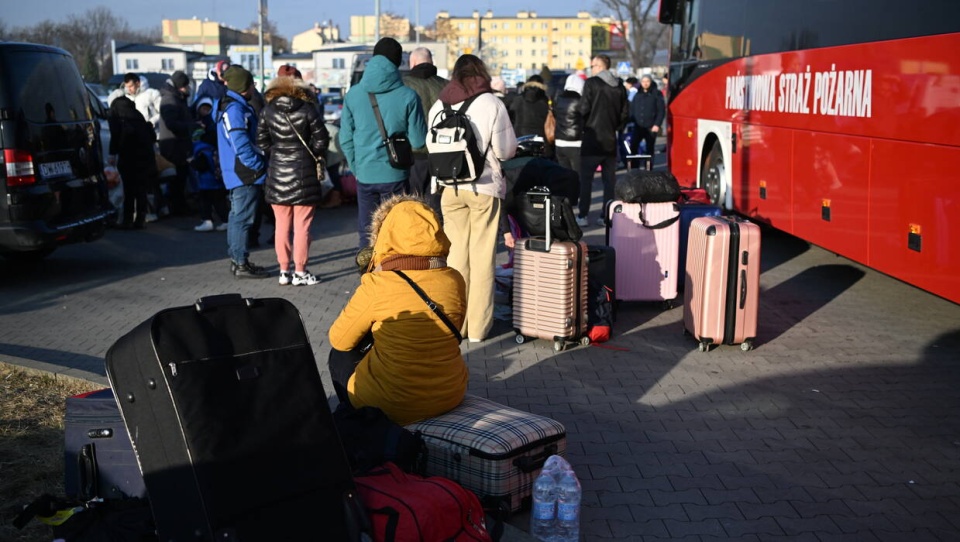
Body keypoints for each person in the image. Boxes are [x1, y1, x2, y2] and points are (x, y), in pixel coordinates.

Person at [327, 195, 468, 425]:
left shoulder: (379, 284)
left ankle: (358, 422)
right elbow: (451, 331)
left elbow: (339, 339)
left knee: (339, 356)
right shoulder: (454, 279)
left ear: (386, 236)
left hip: (391, 404)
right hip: (450, 394)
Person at [428, 54, 517, 342]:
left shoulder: (439, 104)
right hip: (483, 189)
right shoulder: (492, 103)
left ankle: (455, 323)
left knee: (455, 258)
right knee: (481, 259)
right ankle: (478, 329)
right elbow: (505, 151)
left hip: (449, 188)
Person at [340, 37, 427, 248]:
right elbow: (418, 139)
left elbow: (345, 138)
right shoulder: (408, 96)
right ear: (398, 63)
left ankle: (369, 276)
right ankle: (393, 277)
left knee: (367, 231)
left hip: (365, 174)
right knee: (395, 231)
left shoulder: (353, 94)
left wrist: (357, 167)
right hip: (395, 174)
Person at [256, 67, 330, 286]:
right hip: (304, 173)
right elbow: (322, 140)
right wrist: (310, 153)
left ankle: (283, 271)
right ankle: (300, 271)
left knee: (281, 226)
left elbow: (261, 142)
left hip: (277, 174)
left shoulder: (268, 110)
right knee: (302, 227)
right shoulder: (308, 109)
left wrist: (278, 152)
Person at [216, 65, 269, 279]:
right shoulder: (235, 110)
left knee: (237, 217)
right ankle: (240, 263)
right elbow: (240, 142)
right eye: (250, 84)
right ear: (243, 86)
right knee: (243, 219)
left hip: (237, 171)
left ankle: (238, 260)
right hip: (244, 173)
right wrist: (256, 165)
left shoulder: (230, 106)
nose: (254, 88)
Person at [578, 54, 628, 227]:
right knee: (609, 181)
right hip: (610, 141)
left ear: (600, 66)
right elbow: (624, 113)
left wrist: (583, 127)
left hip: (592, 140)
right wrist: (616, 127)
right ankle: (605, 215)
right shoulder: (619, 86)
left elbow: (583, 109)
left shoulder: (591, 83)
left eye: (592, 66)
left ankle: (583, 215)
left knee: (586, 180)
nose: (591, 69)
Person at [403, 46, 448, 214]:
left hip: (413, 154)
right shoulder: (446, 85)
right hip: (442, 153)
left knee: (412, 203)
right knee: (436, 205)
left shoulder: (404, 85)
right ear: (432, 62)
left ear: (412, 62)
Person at [107, 96, 156, 230]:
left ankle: (127, 220)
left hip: (128, 157)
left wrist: (112, 153)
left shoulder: (117, 115)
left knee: (129, 189)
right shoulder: (137, 115)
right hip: (145, 157)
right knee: (141, 189)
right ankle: (140, 219)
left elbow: (115, 135)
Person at [157, 71, 196, 216]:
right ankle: (177, 208)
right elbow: (172, 123)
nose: (188, 89)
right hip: (174, 146)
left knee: (180, 179)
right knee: (177, 179)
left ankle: (179, 206)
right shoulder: (170, 100)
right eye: (186, 86)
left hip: (177, 145)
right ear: (181, 86)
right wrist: (190, 126)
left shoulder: (176, 98)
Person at [189, 127, 229, 232]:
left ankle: (207, 221)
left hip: (206, 183)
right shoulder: (213, 148)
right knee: (220, 203)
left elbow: (201, 166)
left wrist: (192, 163)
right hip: (218, 181)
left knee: (205, 203)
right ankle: (226, 221)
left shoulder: (201, 150)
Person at [629, 74, 666, 168]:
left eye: (647, 81)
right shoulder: (638, 94)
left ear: (651, 82)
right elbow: (632, 109)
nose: (645, 83)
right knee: (633, 146)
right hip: (638, 126)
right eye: (643, 81)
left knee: (649, 148)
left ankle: (648, 168)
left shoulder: (656, 94)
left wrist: (657, 124)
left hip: (651, 126)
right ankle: (634, 167)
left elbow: (661, 110)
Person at [553, 74, 584, 178]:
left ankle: (567, 194)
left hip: (559, 142)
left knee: (565, 176)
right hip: (576, 142)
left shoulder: (558, 99)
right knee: (578, 176)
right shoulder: (580, 101)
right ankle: (578, 194)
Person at [509, 74, 550, 138]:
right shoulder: (545, 101)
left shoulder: (518, 99)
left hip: (519, 135)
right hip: (540, 136)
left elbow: (511, 116)